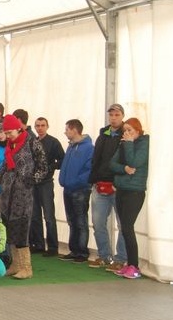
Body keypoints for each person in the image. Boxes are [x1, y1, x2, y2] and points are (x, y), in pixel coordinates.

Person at [0, 114, 48, 279]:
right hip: (7, 194)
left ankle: (26, 267)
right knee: (9, 228)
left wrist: (31, 180)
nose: (7, 136)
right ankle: (16, 264)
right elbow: (3, 170)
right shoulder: (10, 147)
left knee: (21, 228)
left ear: (18, 129)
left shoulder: (32, 143)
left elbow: (43, 167)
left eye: (9, 132)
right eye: (6, 133)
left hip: (23, 194)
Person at [88, 103, 127, 272]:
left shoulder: (126, 135)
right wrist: (94, 180)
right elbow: (96, 159)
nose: (113, 118)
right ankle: (104, 256)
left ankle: (121, 258)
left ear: (122, 116)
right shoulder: (103, 135)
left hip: (118, 187)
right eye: (111, 114)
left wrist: (120, 181)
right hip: (100, 185)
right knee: (98, 223)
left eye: (117, 115)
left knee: (123, 225)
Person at [109, 117, 149, 279]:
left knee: (127, 227)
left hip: (135, 191)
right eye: (124, 130)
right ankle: (129, 263)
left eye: (129, 130)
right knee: (124, 228)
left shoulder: (144, 144)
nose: (126, 133)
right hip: (121, 190)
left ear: (138, 131)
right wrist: (124, 168)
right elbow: (112, 164)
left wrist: (130, 144)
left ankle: (134, 266)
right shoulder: (123, 144)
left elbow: (135, 162)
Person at [57, 119, 94, 264]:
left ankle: (82, 252)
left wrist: (75, 182)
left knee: (80, 221)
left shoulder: (89, 148)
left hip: (80, 190)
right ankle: (74, 250)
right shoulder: (71, 147)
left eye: (67, 129)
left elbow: (88, 170)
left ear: (74, 130)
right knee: (72, 220)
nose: (65, 132)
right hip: (68, 188)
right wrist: (64, 180)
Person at [29, 117, 65, 255]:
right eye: (37, 125)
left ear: (47, 126)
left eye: (42, 125)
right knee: (35, 215)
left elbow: (62, 159)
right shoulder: (32, 141)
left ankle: (53, 247)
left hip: (46, 183)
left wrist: (50, 167)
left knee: (49, 216)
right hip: (34, 182)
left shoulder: (53, 142)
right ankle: (38, 244)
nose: (40, 128)